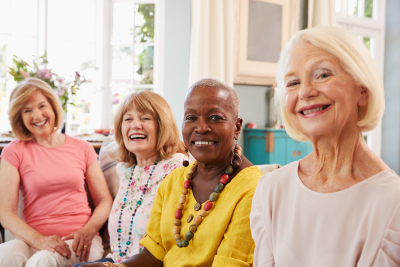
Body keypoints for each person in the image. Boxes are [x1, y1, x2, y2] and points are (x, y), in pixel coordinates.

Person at [250, 26, 400, 266]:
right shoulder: (270, 190)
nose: (306, 92)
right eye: (293, 82)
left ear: (362, 91)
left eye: (322, 75)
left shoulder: (393, 203)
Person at [78, 78, 263, 267]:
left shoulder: (253, 189)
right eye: (191, 118)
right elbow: (153, 253)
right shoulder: (175, 181)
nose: (201, 128)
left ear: (237, 127)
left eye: (215, 118)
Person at [0, 77, 113, 267]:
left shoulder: (82, 147)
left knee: (42, 261)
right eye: (27, 110)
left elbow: (104, 200)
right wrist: (40, 241)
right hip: (34, 241)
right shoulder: (13, 151)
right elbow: (5, 213)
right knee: (5, 254)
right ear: (19, 117)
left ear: (53, 107)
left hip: (80, 242)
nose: (37, 115)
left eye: (42, 106)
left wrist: (88, 230)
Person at [74, 90, 186, 267]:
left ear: (162, 125)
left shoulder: (178, 167)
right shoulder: (125, 169)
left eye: (145, 118)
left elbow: (170, 245)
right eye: (128, 119)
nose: (136, 125)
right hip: (118, 262)